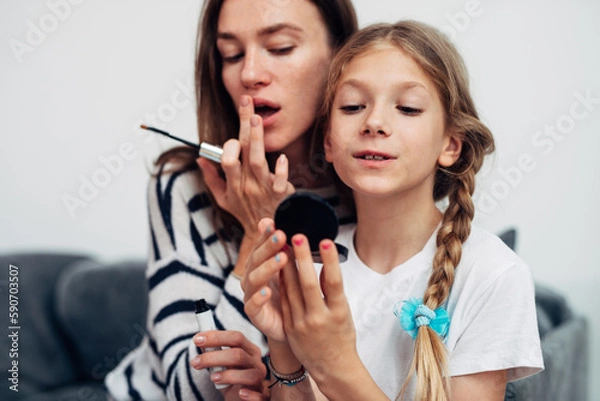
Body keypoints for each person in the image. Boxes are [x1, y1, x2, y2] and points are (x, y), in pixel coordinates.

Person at [242, 20, 544, 401]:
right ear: (329, 142)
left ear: (451, 144)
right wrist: (283, 348)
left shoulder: (493, 275)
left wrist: (336, 366)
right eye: (353, 106)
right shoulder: (311, 263)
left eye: (408, 108)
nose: (374, 123)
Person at [105, 0, 357, 400]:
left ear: (342, 56)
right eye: (231, 55)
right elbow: (190, 392)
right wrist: (260, 230)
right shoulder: (184, 184)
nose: (249, 74)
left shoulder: (371, 186)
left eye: (280, 48)